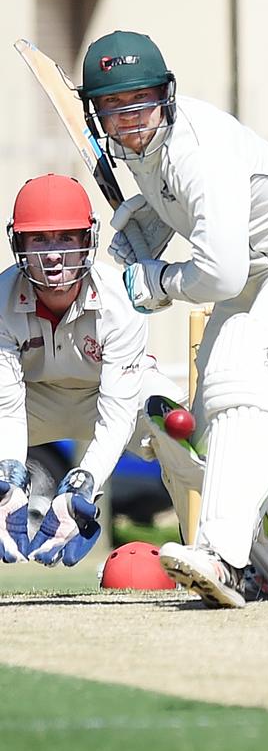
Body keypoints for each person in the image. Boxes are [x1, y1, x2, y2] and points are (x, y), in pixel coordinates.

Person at [78, 30, 268, 609]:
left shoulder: (197, 150)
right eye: (113, 107)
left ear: (167, 95)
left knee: (241, 368)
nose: (129, 118)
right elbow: (197, 215)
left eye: (140, 101)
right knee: (213, 431)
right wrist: (151, 225)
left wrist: (158, 281)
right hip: (259, 273)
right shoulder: (144, 153)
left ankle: (221, 557)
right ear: (97, 115)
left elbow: (220, 275)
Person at [0, 173, 190, 566]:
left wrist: (82, 485)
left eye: (66, 238)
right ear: (19, 244)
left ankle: (212, 554)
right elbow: (7, 407)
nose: (53, 255)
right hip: (33, 401)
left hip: (106, 397)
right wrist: (10, 481)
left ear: (87, 239)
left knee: (183, 431)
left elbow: (117, 413)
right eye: (40, 240)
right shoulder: (1, 300)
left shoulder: (120, 300)